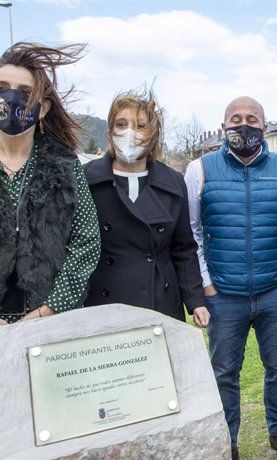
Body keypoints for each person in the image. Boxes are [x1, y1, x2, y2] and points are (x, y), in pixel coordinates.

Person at [0, 42, 101, 406]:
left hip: (50, 325)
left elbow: (86, 242)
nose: (11, 99)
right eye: (1, 89)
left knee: (57, 418)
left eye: (26, 93)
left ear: (42, 107)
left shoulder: (64, 165)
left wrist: (49, 310)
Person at [184, 96, 277, 459]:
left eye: (252, 118)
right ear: (224, 127)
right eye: (235, 119)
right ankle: (228, 444)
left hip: (275, 294)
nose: (244, 125)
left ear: (265, 127)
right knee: (223, 374)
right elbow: (191, 232)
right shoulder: (199, 170)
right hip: (223, 295)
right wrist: (207, 285)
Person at [83, 90, 208, 326]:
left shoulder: (173, 182)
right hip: (101, 303)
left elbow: (183, 249)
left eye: (140, 126)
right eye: (121, 124)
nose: (130, 132)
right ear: (110, 132)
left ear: (153, 135)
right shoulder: (85, 180)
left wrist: (195, 300)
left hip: (159, 301)